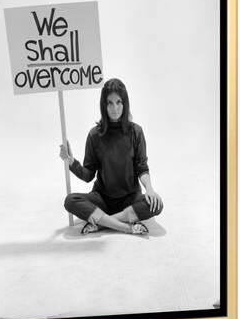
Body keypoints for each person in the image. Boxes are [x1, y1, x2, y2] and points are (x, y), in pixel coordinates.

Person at [60, 78, 163, 235]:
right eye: (110, 103)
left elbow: (142, 166)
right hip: (102, 199)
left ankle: (102, 223)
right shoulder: (95, 135)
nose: (115, 108)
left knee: (156, 204)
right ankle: (126, 227)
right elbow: (88, 175)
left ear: (125, 103)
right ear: (104, 105)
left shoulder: (136, 132)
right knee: (70, 201)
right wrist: (71, 162)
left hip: (130, 199)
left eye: (118, 102)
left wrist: (149, 189)